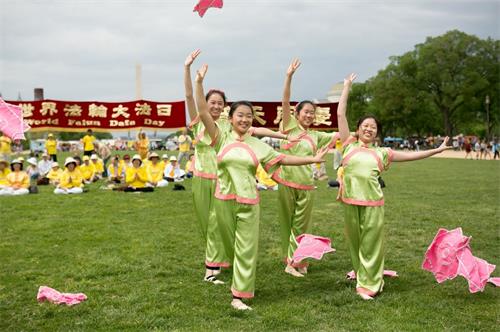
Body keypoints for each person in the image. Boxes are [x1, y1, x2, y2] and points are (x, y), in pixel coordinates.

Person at [195, 63, 328, 310]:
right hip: (223, 200)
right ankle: (227, 273)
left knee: (246, 249)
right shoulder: (219, 136)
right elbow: (202, 111)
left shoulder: (257, 144)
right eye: (240, 115)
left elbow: (284, 159)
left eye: (248, 116)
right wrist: (199, 82)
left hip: (249, 204)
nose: (245, 119)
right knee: (231, 248)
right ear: (230, 118)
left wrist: (312, 159)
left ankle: (240, 295)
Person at [184, 50, 297, 281]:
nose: (215, 106)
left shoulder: (229, 125)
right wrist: (189, 71)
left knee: (219, 225)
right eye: (211, 102)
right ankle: (217, 261)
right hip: (202, 179)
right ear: (205, 103)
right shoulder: (200, 123)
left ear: (225, 107)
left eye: (220, 103)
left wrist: (283, 136)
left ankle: (213, 268)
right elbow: (188, 97)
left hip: (226, 181)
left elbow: (257, 132)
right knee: (207, 224)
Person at [337, 73, 452, 300]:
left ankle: (370, 284)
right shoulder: (348, 145)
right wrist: (347, 87)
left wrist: (436, 150)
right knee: (355, 243)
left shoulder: (383, 153)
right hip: (350, 201)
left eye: (373, 127)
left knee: (372, 244)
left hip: (373, 204)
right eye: (365, 125)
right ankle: (363, 274)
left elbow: (412, 156)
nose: (369, 129)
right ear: (358, 129)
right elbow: (340, 113)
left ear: (376, 133)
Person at [275, 59, 340, 277]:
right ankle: (290, 262)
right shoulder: (288, 127)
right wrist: (289, 76)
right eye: (306, 112)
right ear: (297, 113)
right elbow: (284, 101)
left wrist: (361, 132)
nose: (310, 115)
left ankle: (297, 260)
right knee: (288, 224)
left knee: (302, 226)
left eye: (313, 112)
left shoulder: (316, 136)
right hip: (286, 182)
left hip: (306, 185)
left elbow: (339, 135)